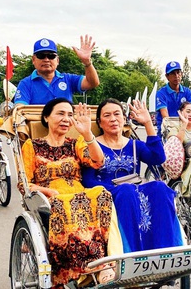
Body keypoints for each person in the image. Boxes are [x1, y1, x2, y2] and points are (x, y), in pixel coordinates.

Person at [21, 98, 119, 285]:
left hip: (78, 192)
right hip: (49, 197)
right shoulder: (32, 146)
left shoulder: (75, 143)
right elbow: (25, 184)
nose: (66, 119)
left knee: (102, 193)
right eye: (60, 113)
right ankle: (81, 268)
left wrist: (87, 134)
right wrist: (47, 190)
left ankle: (103, 262)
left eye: (70, 115)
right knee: (63, 202)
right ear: (47, 117)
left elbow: (98, 162)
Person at [82, 99, 183, 253]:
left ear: (124, 119)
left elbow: (158, 158)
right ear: (99, 123)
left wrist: (148, 123)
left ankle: (167, 249)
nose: (113, 119)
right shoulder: (93, 146)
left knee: (160, 188)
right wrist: (117, 189)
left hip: (132, 191)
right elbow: (89, 180)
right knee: (127, 192)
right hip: (109, 194)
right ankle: (131, 251)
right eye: (107, 115)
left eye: (117, 114)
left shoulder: (134, 145)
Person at [14, 36, 100, 105]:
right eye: (41, 56)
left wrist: (87, 62)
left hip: (66, 125)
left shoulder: (68, 79)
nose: (46, 59)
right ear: (33, 60)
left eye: (51, 56)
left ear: (57, 60)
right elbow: (20, 110)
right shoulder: (25, 84)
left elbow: (92, 83)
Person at [155, 61, 191, 135]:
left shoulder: (187, 91)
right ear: (167, 76)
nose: (176, 76)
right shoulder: (161, 93)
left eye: (178, 72)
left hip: (184, 128)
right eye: (173, 73)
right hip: (167, 130)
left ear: (181, 74)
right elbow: (165, 116)